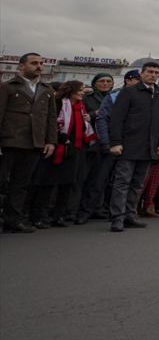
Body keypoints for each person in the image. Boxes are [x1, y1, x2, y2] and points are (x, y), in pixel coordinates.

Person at [107, 62, 159, 233]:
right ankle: (117, 218)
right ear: (142, 73)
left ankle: (129, 215)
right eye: (149, 72)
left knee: (137, 184)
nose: (153, 75)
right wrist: (115, 142)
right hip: (128, 145)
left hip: (148, 147)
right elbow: (117, 118)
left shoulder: (158, 94)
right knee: (122, 182)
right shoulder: (129, 92)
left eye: (156, 72)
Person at [0, 54, 57, 233]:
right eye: (34, 63)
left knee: (21, 184)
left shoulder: (46, 90)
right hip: (9, 141)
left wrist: (50, 141)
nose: (38, 66)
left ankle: (13, 220)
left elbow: (51, 117)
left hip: (34, 143)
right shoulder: (8, 87)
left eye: (40, 64)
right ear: (21, 66)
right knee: (1, 181)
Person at [76, 71, 141, 224]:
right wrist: (106, 142)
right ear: (127, 81)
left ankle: (118, 213)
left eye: (108, 81)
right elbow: (102, 120)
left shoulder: (143, 97)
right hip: (110, 144)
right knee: (98, 180)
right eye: (136, 79)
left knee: (122, 182)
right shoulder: (114, 96)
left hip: (130, 145)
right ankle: (85, 212)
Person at [31, 81, 95, 228]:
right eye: (79, 90)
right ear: (70, 90)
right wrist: (60, 137)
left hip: (75, 149)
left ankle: (58, 216)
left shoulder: (80, 108)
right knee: (47, 184)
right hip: (57, 148)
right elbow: (51, 123)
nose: (82, 93)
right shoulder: (58, 103)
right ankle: (38, 216)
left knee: (67, 184)